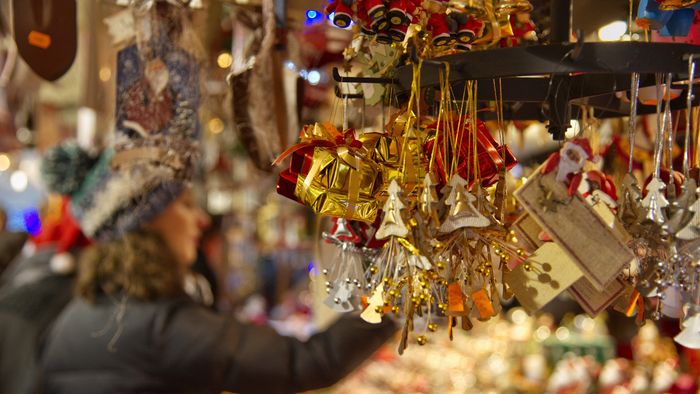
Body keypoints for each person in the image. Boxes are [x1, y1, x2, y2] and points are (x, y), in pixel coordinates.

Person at [37, 4, 396, 393]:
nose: (201, 221)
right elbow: (306, 362)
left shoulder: (78, 314)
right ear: (146, 222)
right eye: (185, 206)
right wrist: (388, 299)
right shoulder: (159, 328)